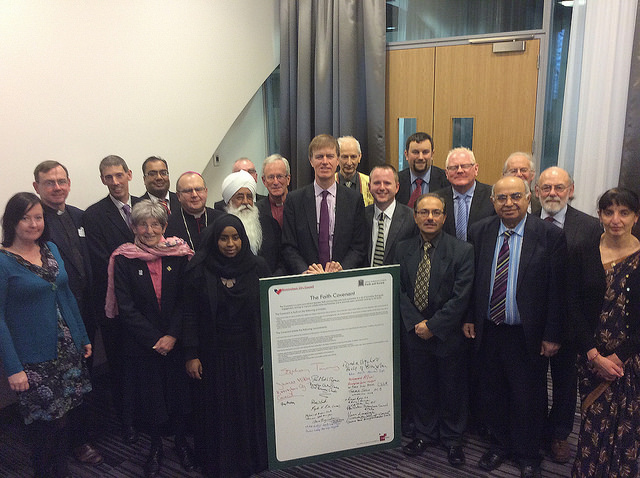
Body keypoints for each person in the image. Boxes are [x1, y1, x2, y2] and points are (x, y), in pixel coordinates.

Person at [463, 176, 567, 478]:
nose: (508, 203)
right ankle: (499, 444)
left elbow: (557, 291)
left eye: (515, 197)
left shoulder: (549, 235)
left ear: (527, 199)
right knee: (492, 391)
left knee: (529, 395)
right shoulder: (479, 231)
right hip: (489, 328)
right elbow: (474, 282)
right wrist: (469, 316)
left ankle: (528, 453)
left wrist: (552, 334)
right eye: (502, 198)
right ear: (493, 201)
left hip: (527, 333)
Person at [0, 192, 92, 477]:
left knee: (65, 417)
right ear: (12, 222)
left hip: (66, 349)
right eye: (25, 218)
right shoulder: (3, 261)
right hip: (33, 359)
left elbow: (65, 295)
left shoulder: (50, 248)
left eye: (38, 217)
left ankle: (61, 469)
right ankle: (43, 471)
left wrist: (83, 336)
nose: (33, 224)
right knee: (45, 424)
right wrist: (13, 368)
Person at [106, 200, 194, 477]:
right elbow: (126, 306)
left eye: (155, 224)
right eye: (142, 224)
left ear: (164, 227)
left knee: (179, 395)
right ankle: (155, 446)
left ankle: (181, 443)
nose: (149, 229)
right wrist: (155, 339)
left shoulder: (179, 255)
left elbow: (186, 300)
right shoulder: (123, 258)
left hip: (176, 340)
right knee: (152, 397)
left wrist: (172, 335)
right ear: (134, 227)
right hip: (143, 344)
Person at [182, 214, 269, 478]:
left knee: (246, 408)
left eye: (236, 237)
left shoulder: (258, 267)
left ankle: (249, 460)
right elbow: (189, 315)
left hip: (248, 353)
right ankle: (219, 462)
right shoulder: (199, 269)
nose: (230, 244)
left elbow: (268, 312)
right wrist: (191, 354)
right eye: (223, 238)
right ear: (214, 240)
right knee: (217, 411)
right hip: (212, 354)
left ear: (243, 239)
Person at [32, 160, 103, 466]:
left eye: (62, 181)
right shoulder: (34, 221)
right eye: (50, 182)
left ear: (69, 183)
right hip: (55, 315)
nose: (57, 187)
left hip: (86, 308)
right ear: (37, 187)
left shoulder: (79, 215)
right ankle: (75, 441)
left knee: (84, 374)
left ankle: (86, 431)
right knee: (64, 381)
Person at [397, 193, 474, 467]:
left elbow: (461, 297)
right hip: (414, 332)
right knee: (421, 386)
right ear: (415, 216)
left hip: (447, 335)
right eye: (424, 212)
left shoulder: (462, 250)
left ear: (444, 216)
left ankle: (453, 439)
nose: (430, 217)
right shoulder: (402, 248)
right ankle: (425, 433)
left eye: (436, 212)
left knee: (452, 387)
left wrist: (433, 326)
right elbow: (399, 290)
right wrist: (417, 324)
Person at [534, 167, 602, 463]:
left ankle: (559, 435)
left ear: (570, 190)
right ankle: (534, 431)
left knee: (564, 384)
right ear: (536, 191)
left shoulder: (589, 227)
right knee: (533, 381)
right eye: (546, 187)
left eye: (559, 188)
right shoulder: (525, 221)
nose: (552, 193)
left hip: (572, 322)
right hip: (533, 320)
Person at [572, 188, 640, 478]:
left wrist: (619, 357)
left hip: (631, 360)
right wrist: (593, 355)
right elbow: (571, 306)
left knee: (627, 427)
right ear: (599, 215)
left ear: (635, 217)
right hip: (590, 355)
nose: (616, 219)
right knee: (592, 424)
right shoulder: (583, 250)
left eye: (624, 212)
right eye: (608, 212)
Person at [83, 154, 141, 443]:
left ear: (130, 174)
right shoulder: (92, 216)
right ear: (102, 179)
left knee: (149, 362)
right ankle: (127, 422)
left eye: (120, 175)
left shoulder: (148, 205)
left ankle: (151, 416)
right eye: (109, 177)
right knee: (121, 366)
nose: (115, 182)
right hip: (117, 305)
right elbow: (104, 261)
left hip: (151, 302)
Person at [365, 163, 417, 437]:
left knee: (403, 361)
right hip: (366, 304)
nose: (382, 188)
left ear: (397, 187)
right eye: (377, 183)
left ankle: (403, 416)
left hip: (401, 302)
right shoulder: (360, 216)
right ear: (369, 187)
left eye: (387, 183)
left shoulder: (412, 218)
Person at [282, 134, 367, 274]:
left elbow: (359, 246)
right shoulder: (294, 201)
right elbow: (288, 246)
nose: (325, 162)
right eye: (319, 157)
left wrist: (341, 269)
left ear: (338, 160)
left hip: (342, 280)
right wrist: (306, 271)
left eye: (330, 156)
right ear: (311, 160)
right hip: (307, 282)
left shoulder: (354, 200)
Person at [221, 170, 281, 274]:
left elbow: (281, 260)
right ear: (229, 201)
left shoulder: (270, 224)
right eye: (239, 197)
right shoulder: (220, 228)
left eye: (249, 197)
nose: (245, 202)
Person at [435, 147, 495, 242]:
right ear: (446, 173)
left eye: (465, 166)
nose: (459, 171)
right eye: (454, 167)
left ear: (476, 169)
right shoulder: (436, 199)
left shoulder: (492, 196)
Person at [165, 171, 223, 251]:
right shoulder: (169, 224)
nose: (194, 195)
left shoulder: (221, 219)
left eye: (198, 189)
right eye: (188, 191)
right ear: (178, 196)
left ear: (206, 191)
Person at [397, 132, 449, 207]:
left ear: (432, 155)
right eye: (415, 152)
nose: (420, 157)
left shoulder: (446, 180)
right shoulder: (396, 181)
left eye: (425, 152)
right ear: (406, 155)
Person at [336, 136, 374, 206]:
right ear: (337, 158)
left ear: (359, 157)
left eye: (353, 157)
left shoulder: (371, 184)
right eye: (345, 157)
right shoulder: (329, 183)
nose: (349, 163)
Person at [258, 154, 291, 229]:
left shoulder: (300, 207)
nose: (276, 182)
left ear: (288, 179)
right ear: (264, 181)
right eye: (271, 177)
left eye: (279, 176)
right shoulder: (257, 211)